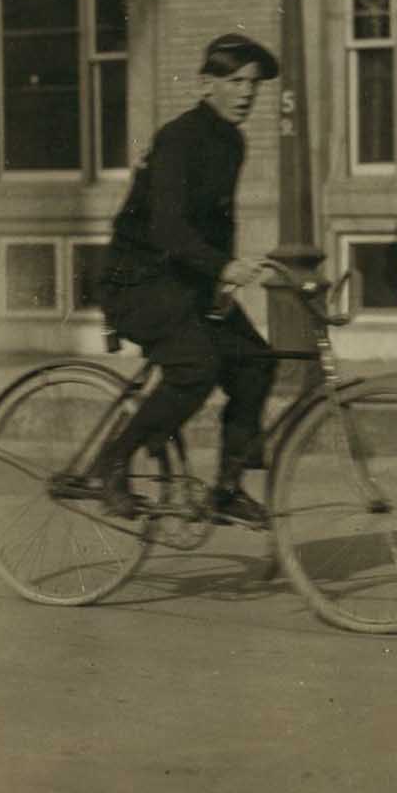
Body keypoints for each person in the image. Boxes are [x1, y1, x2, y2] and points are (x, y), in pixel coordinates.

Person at [94, 33, 280, 525]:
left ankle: (226, 487)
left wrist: (223, 274)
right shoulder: (179, 138)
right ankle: (111, 462)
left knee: (256, 362)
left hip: (185, 281)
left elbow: (219, 221)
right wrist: (222, 268)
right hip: (135, 280)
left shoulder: (231, 140)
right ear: (206, 83)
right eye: (235, 81)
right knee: (196, 367)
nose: (246, 93)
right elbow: (167, 226)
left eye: (253, 85)